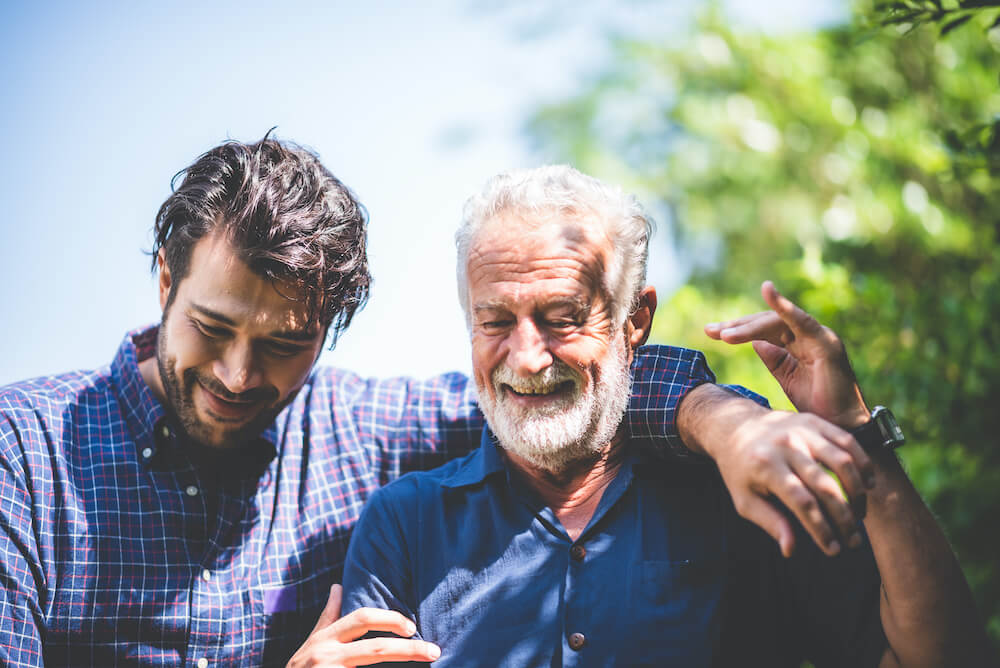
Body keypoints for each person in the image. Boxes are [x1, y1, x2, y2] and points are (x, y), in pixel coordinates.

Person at [0, 136, 878, 667]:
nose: (237, 375)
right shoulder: (22, 457)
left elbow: (572, 385)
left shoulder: (362, 432)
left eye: (283, 345)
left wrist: (726, 426)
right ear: (164, 281)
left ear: (331, 329)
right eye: (212, 328)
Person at [340, 166, 989, 667]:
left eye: (563, 318)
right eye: (495, 321)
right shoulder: (405, 522)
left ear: (635, 322)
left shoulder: (742, 487)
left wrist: (857, 440)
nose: (529, 357)